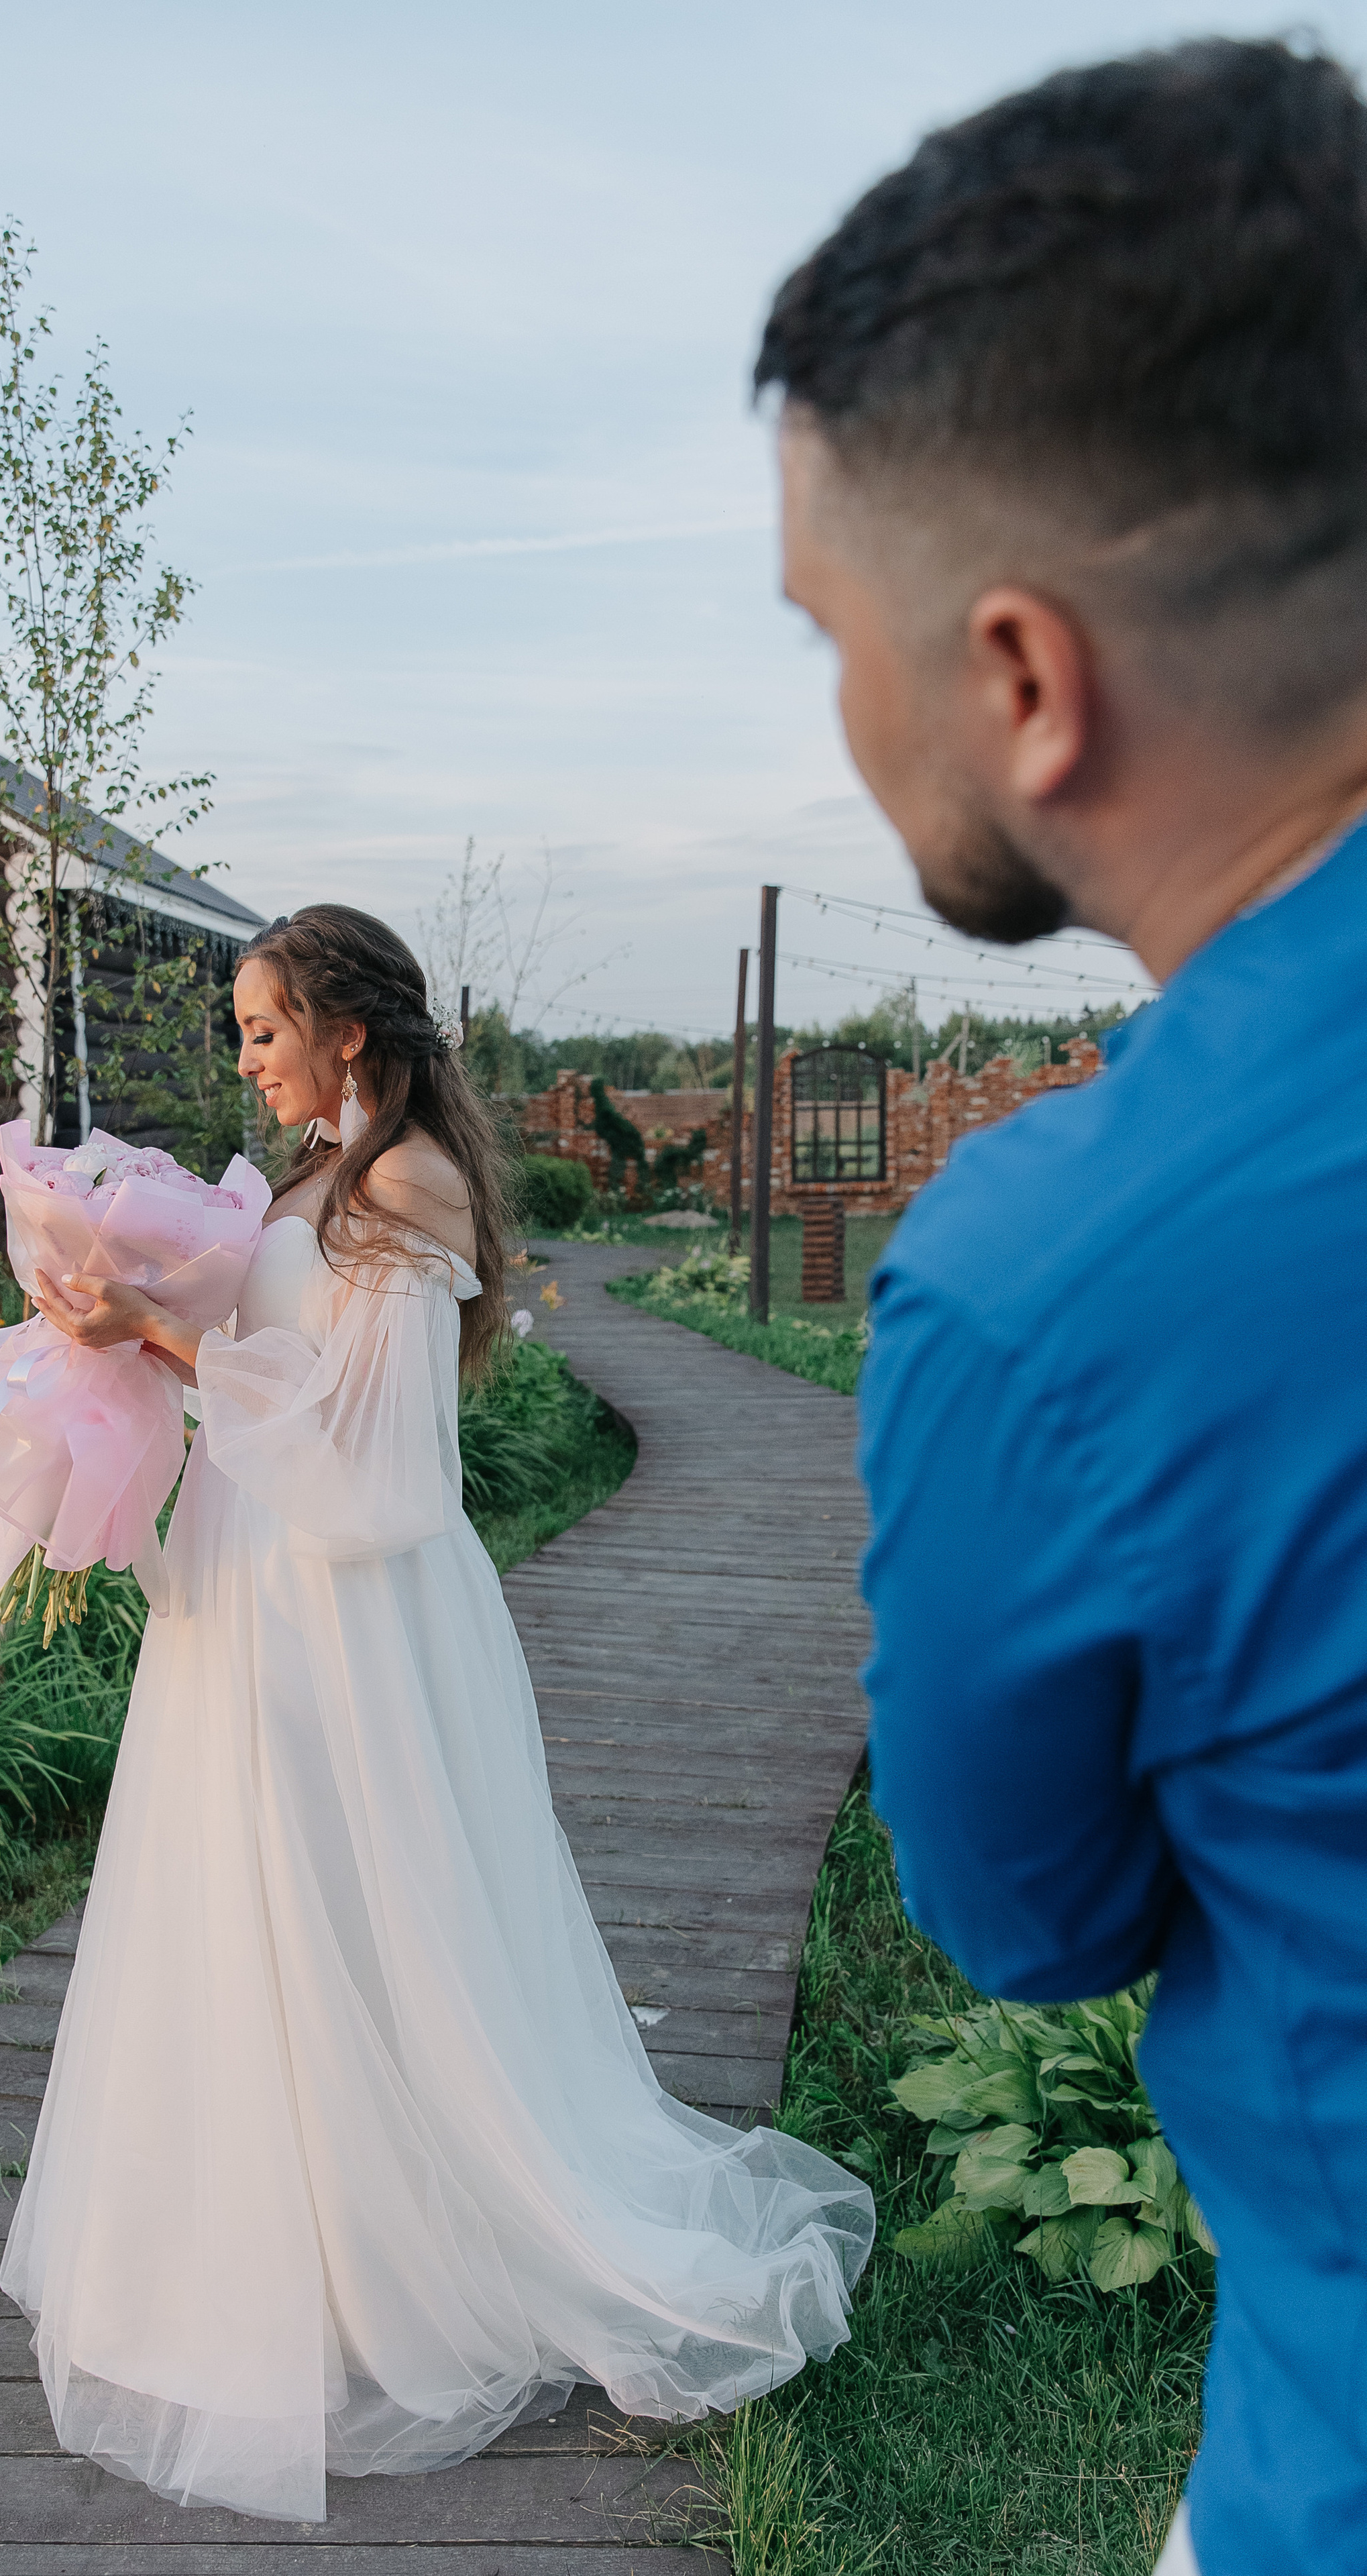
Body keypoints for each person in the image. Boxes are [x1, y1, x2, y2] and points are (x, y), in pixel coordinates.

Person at [754, 36, 1367, 2576]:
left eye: (830, 631)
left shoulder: (1051, 1281)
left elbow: (1025, 1912)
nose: (843, 703)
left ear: (1022, 673)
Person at [0, 903, 872, 2522]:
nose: (245, 1057)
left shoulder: (409, 1185)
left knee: (361, 1904)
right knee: (261, 1906)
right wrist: (120, 1308)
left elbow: (386, 1470)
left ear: (345, 1024)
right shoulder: (330, 1172)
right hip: (259, 1588)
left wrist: (169, 1336)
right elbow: (282, 1369)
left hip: (348, 1611)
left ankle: (409, 2250)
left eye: (262, 1026)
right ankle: (298, 2242)